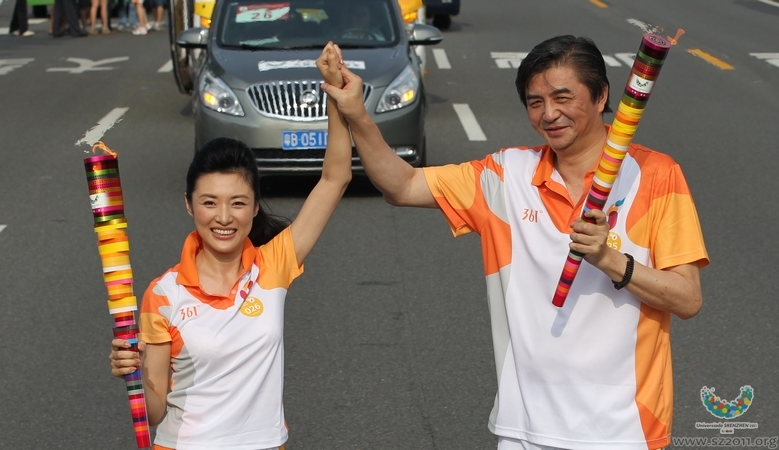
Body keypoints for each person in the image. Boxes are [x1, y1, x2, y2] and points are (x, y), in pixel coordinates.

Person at [321, 34, 708, 450]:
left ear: (601, 97)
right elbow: (402, 185)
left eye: (563, 97)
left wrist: (610, 259)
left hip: (623, 431)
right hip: (525, 428)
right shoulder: (506, 175)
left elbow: (687, 298)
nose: (549, 114)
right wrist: (356, 113)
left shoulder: (656, 174)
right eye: (535, 101)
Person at [108, 43, 351, 450]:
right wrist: (134, 377)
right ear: (189, 205)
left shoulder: (272, 266)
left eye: (237, 203)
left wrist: (335, 91)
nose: (224, 217)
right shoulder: (164, 294)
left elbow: (335, 178)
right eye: (209, 203)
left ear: (255, 207)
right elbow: (155, 412)